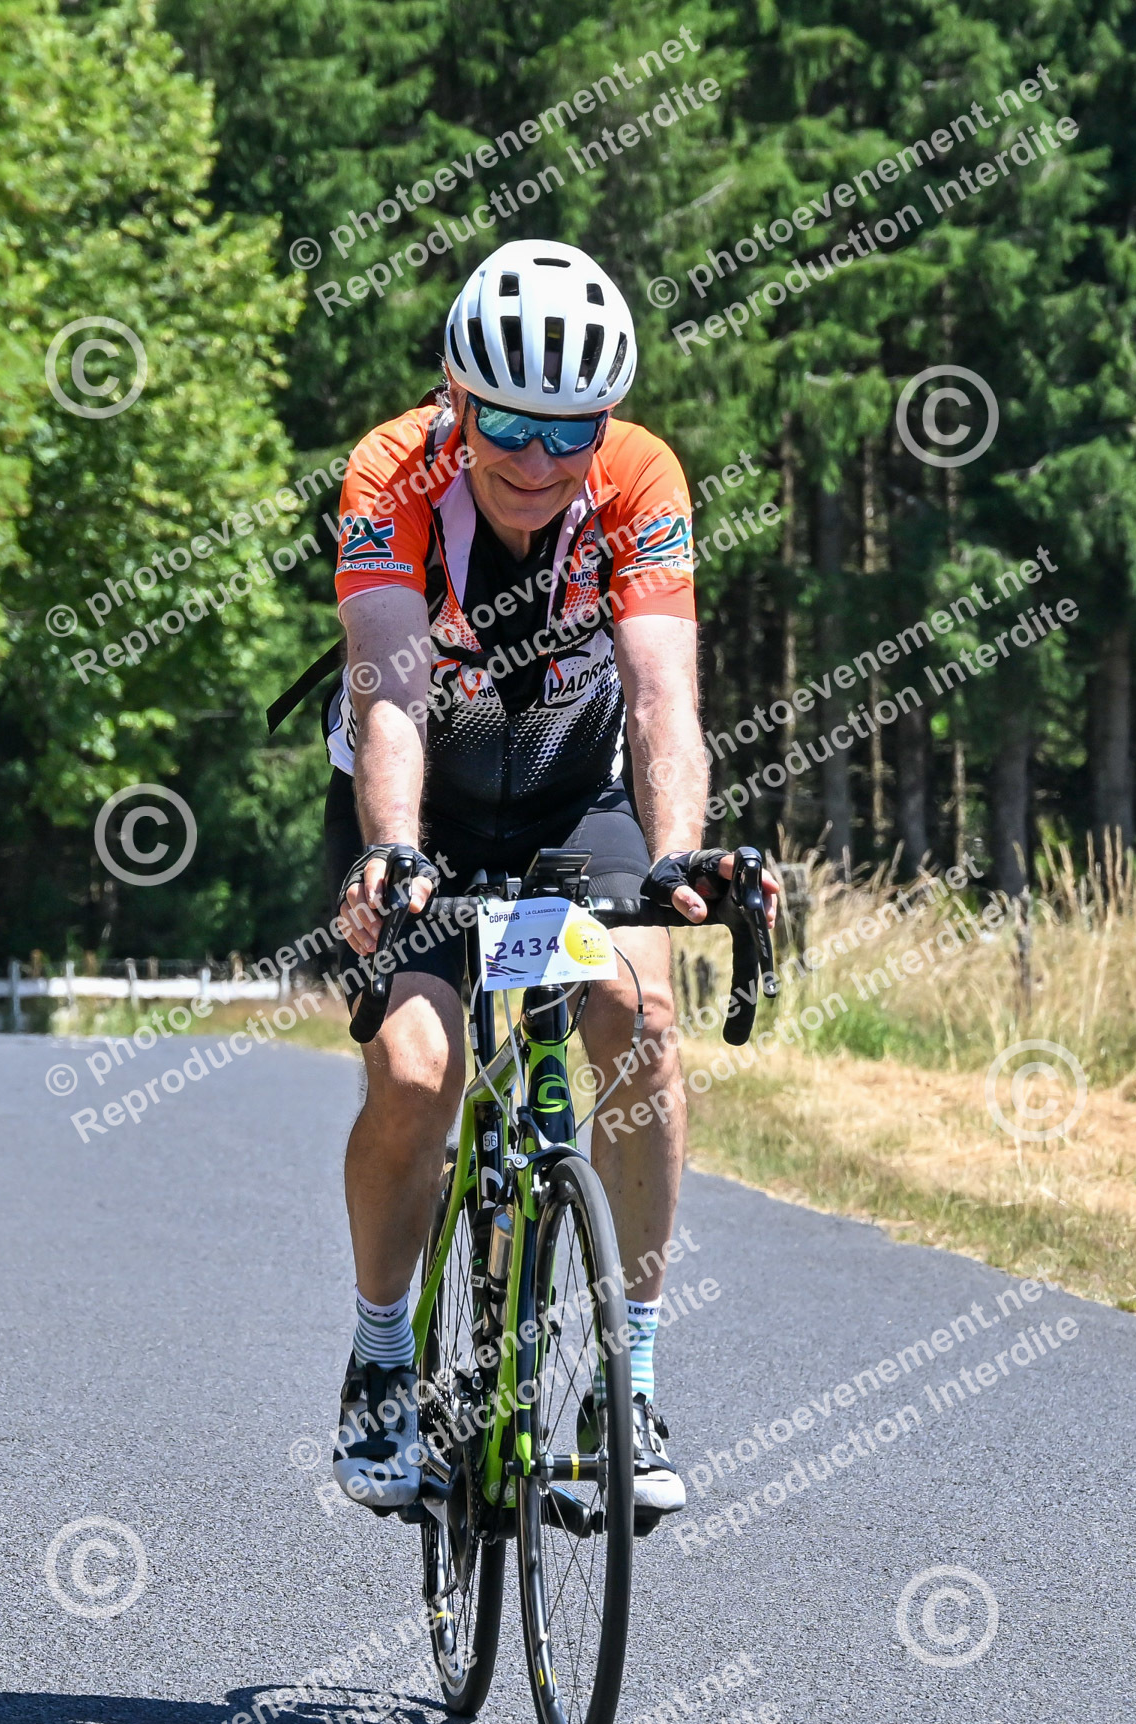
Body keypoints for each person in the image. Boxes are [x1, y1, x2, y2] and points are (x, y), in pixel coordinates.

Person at [323, 239, 775, 1523]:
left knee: (641, 1016)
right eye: (508, 423)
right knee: (417, 1068)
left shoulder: (640, 477)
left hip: (576, 799)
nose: (536, 458)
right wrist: (393, 850)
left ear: (604, 422)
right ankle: (382, 1354)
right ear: (456, 400)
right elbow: (389, 687)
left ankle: (627, 1380)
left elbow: (661, 697)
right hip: (419, 797)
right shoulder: (389, 472)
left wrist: (676, 855)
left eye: (569, 429)